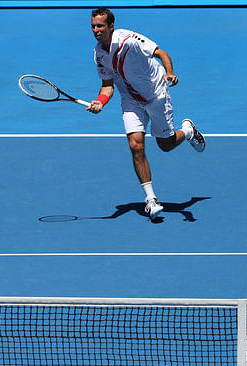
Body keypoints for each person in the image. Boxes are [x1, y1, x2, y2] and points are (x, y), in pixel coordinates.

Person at [87, 7, 206, 220]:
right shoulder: (99, 54)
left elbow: (161, 53)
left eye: (100, 26)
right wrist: (100, 102)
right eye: (93, 26)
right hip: (131, 100)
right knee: (135, 145)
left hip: (156, 94)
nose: (96, 30)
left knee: (166, 145)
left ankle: (187, 131)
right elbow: (107, 85)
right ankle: (151, 200)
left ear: (111, 26)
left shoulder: (129, 40)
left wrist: (170, 72)